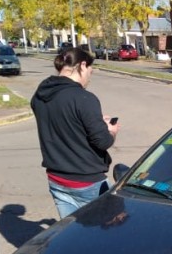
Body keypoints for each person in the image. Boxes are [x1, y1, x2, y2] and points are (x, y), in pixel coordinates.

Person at [31, 47, 121, 219]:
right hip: (87, 181)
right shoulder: (84, 98)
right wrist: (110, 130)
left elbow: (63, 123)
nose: (89, 77)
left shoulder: (40, 95)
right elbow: (103, 142)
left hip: (56, 179)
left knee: (72, 234)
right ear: (82, 65)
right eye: (90, 72)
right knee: (110, 232)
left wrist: (94, 122)